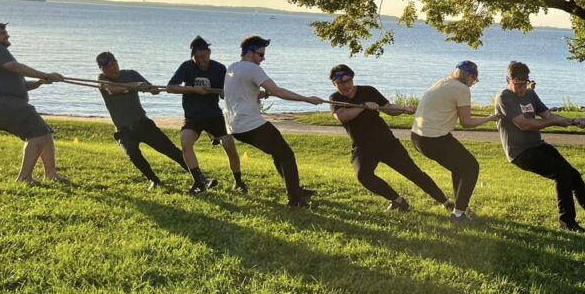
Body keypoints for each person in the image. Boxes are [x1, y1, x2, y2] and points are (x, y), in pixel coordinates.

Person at [495, 61, 585, 233]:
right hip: (519, 152)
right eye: (518, 84)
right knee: (561, 173)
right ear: (508, 80)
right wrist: (552, 122)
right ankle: (567, 223)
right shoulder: (504, 97)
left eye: (525, 84)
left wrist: (574, 121)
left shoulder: (530, 95)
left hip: (537, 146)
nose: (522, 88)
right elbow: (524, 124)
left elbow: (548, 115)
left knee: (573, 174)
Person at [328, 64, 451, 212]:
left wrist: (402, 109)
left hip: (386, 143)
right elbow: (341, 116)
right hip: (363, 147)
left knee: (413, 173)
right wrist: (363, 106)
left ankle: (445, 201)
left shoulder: (368, 91)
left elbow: (388, 108)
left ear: (352, 79)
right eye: (340, 83)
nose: (346, 85)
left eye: (348, 80)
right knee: (363, 176)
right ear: (334, 83)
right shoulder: (335, 98)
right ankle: (398, 201)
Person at [224, 35, 325, 207]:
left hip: (235, 126)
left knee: (278, 152)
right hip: (250, 124)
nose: (263, 59)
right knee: (286, 154)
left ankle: (294, 189)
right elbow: (278, 91)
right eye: (261, 54)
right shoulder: (252, 68)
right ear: (250, 53)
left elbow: (241, 92)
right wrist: (307, 99)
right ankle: (295, 199)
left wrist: (258, 94)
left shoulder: (233, 67)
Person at [0, 22, 66, 183]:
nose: (7, 35)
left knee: (45, 132)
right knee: (37, 131)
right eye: (2, 32)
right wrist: (45, 74)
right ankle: (24, 178)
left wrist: (42, 81)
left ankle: (51, 175)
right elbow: (16, 67)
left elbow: (23, 86)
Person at [411, 61, 500, 223]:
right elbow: (466, 122)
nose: (473, 83)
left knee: (460, 165)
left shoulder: (443, 82)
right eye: (474, 79)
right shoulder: (462, 88)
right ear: (469, 75)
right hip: (433, 139)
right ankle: (458, 215)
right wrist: (491, 118)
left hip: (418, 136)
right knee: (471, 167)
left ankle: (461, 207)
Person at [97, 52, 198, 191]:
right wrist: (135, 85)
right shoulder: (101, 80)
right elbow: (112, 89)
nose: (112, 69)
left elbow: (152, 89)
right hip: (123, 130)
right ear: (101, 70)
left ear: (117, 62)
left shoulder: (131, 74)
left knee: (171, 150)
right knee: (133, 154)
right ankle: (154, 180)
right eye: (107, 67)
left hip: (143, 124)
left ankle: (200, 178)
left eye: (114, 64)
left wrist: (150, 88)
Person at [166, 36, 247, 194]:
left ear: (209, 52)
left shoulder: (219, 68)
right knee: (185, 142)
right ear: (193, 57)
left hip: (214, 116)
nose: (201, 61)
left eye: (204, 57)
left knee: (229, 145)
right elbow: (170, 87)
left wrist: (228, 93)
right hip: (193, 116)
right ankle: (198, 182)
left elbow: (226, 94)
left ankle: (238, 182)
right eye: (197, 58)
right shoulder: (186, 67)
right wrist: (192, 89)